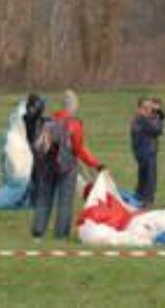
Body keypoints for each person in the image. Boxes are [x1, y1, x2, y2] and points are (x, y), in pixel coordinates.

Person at [31, 90, 104, 240]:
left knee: (44, 198)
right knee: (65, 201)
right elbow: (79, 149)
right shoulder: (74, 123)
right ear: (73, 106)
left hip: (47, 166)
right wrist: (96, 164)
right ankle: (61, 235)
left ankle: (38, 232)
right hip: (67, 167)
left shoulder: (48, 122)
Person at [131, 97, 165, 208]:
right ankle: (147, 201)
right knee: (150, 179)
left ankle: (139, 197)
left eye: (150, 108)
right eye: (146, 108)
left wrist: (158, 115)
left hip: (143, 152)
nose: (149, 110)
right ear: (140, 109)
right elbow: (158, 130)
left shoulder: (139, 119)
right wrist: (159, 116)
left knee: (144, 177)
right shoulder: (141, 119)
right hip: (146, 152)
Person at [23, 93, 47, 206]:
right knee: (37, 174)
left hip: (38, 149)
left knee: (37, 174)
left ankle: (34, 198)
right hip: (35, 149)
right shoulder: (28, 119)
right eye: (31, 107)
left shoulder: (36, 118)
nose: (32, 109)